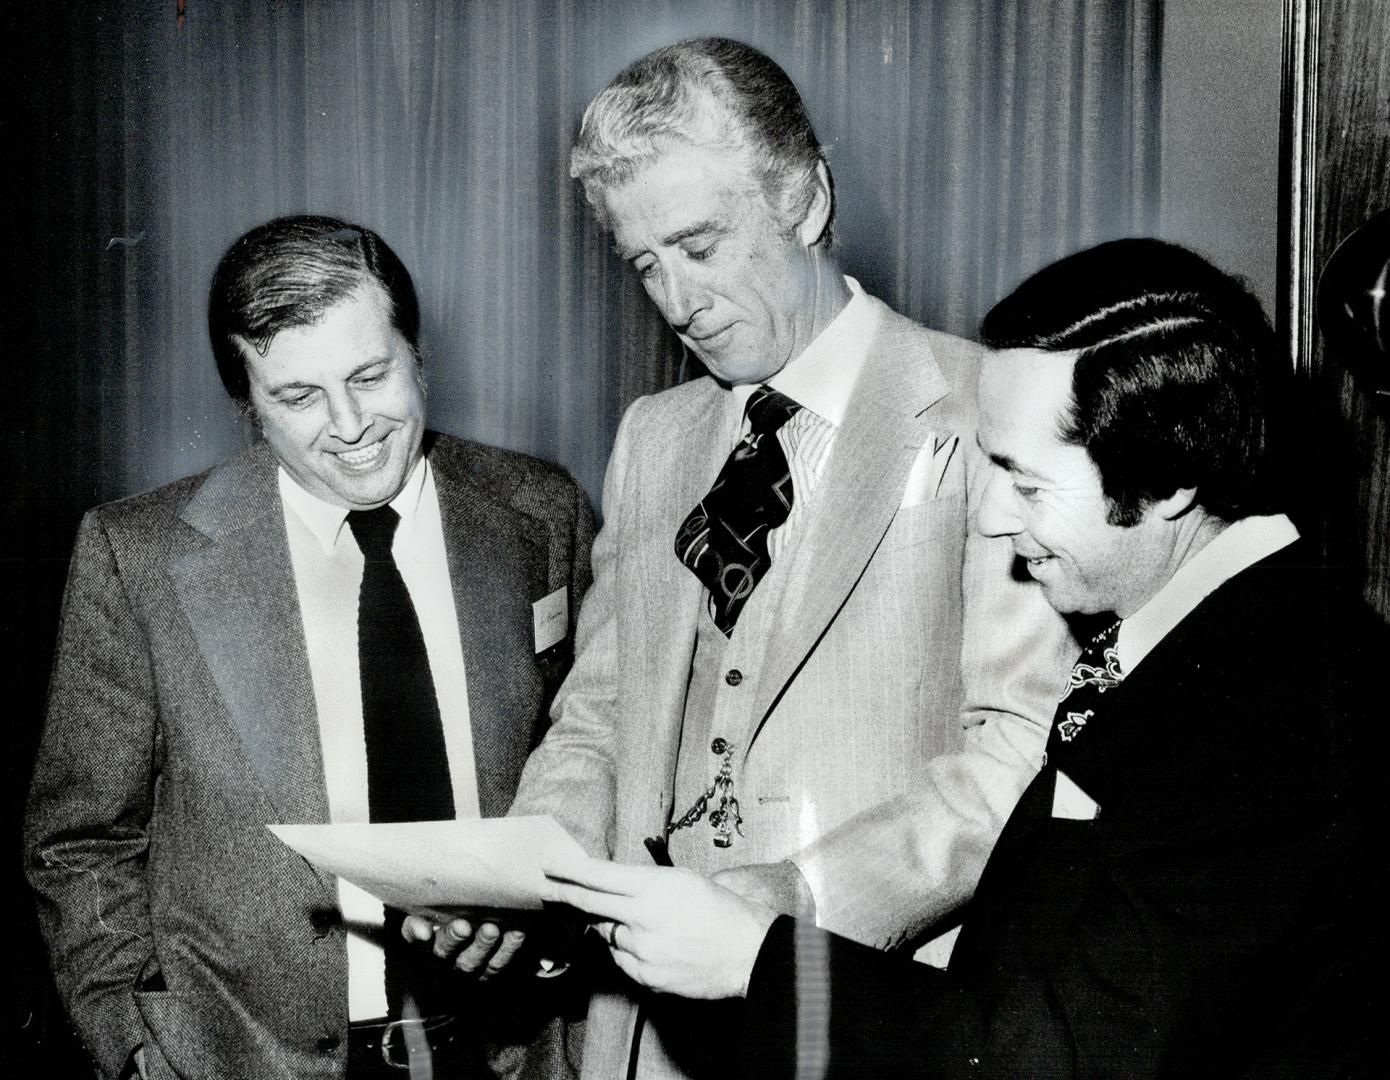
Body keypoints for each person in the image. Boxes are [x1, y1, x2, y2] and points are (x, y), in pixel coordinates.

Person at [545, 238, 1388, 1077]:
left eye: (1026, 482)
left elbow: (1069, 1057)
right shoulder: (1209, 642)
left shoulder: (1283, 708)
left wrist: (760, 963)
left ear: (1169, 476)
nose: (990, 519)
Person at [417, 37, 1074, 1079]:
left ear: (804, 200)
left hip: (856, 1014)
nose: (676, 300)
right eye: (645, 262)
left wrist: (791, 907)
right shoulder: (658, 436)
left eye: (701, 243)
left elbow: (1016, 753)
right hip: (648, 1040)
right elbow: (600, 714)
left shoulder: (983, 406)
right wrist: (518, 868)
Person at [24, 215, 595, 1079]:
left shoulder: (539, 511)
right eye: (297, 397)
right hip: (244, 1058)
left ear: (418, 354)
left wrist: (544, 919)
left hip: (510, 1050)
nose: (351, 424)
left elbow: (589, 750)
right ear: (247, 409)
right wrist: (136, 1049)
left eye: (371, 374)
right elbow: (78, 840)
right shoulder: (136, 555)